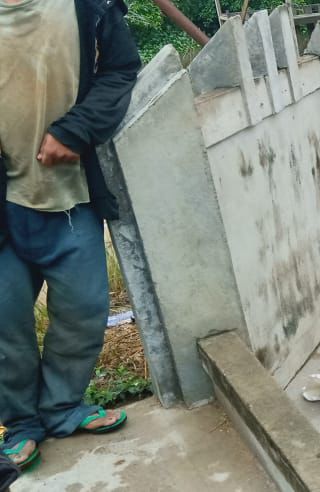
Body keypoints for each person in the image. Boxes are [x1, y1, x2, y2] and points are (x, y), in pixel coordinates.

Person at [0, 0, 141, 470]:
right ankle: (20, 423)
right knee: (5, 325)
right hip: (4, 206)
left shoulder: (91, 4)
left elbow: (121, 69)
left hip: (71, 199)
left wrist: (77, 129)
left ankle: (62, 408)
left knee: (84, 311)